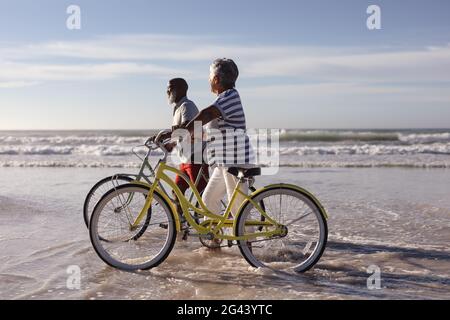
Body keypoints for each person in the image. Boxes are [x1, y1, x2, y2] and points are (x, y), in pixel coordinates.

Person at [184, 58, 255, 220]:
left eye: (210, 76)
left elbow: (206, 114)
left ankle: (247, 243)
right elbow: (215, 130)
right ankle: (213, 240)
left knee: (238, 206)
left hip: (234, 160)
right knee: (209, 199)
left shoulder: (230, 96)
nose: (208, 80)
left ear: (216, 79)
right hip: (224, 162)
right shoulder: (224, 99)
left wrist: (181, 131)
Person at [159, 78, 209, 203]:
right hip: (185, 158)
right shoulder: (178, 108)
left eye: (170, 88)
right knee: (177, 190)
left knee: (203, 193)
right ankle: (179, 221)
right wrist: (171, 144)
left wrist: (167, 135)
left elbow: (188, 127)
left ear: (180, 89)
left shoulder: (187, 106)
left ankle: (212, 220)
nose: (167, 92)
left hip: (195, 157)